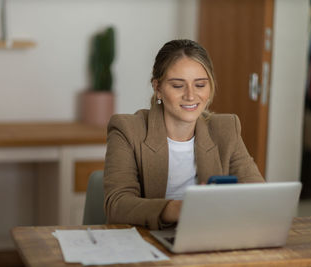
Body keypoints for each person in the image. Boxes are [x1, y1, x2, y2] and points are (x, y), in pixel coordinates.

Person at [103, 39, 264, 230]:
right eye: (178, 86)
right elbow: (117, 205)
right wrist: (178, 208)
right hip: (146, 241)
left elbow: (258, 195)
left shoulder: (226, 128)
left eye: (200, 85)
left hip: (207, 239)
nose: (190, 95)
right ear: (158, 88)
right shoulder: (127, 129)